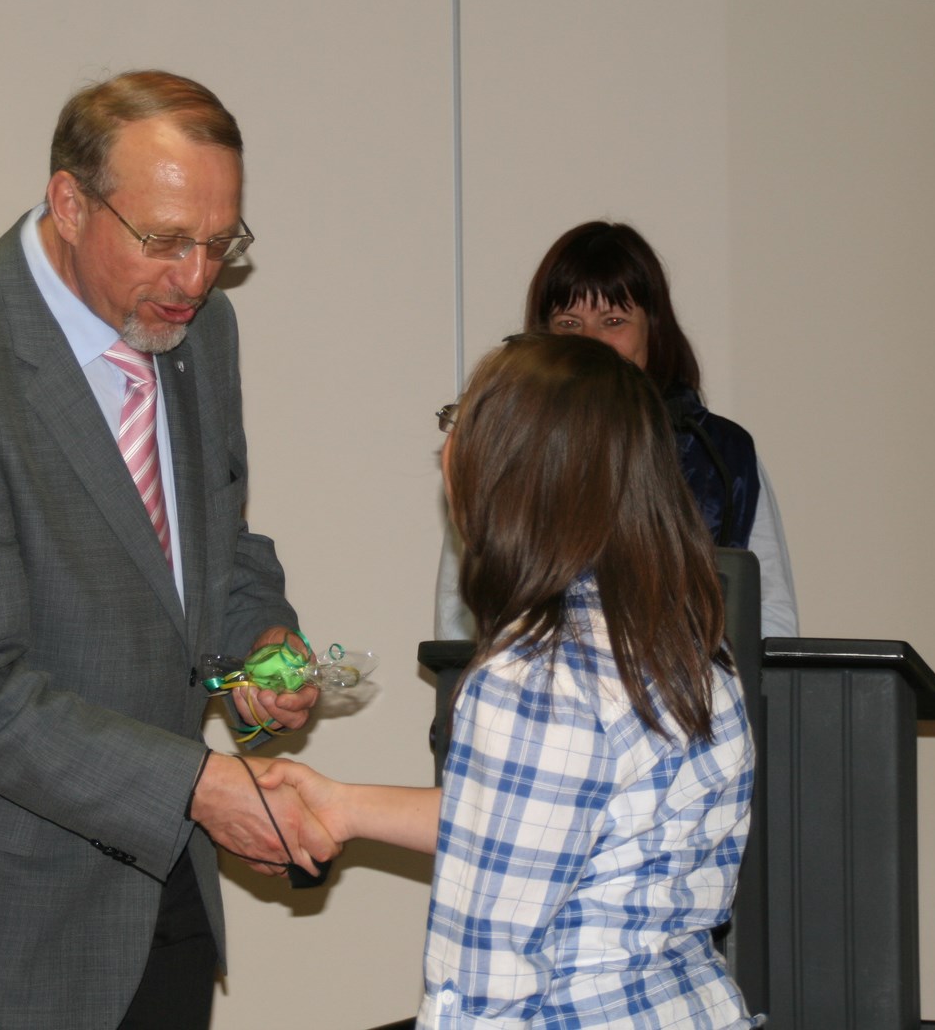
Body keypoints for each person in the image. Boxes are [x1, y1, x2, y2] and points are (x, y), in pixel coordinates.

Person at [0, 70, 337, 1030]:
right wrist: (202, 786)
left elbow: (213, 543)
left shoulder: (199, 332)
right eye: (166, 240)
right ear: (70, 203)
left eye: (220, 244)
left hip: (159, 881)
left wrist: (262, 644)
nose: (196, 279)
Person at [264, 334, 756, 1028]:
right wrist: (344, 807)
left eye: (462, 421)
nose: (447, 448)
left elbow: (481, 984)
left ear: (514, 472)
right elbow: (549, 826)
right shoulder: (685, 644)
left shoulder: (535, 681)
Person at [435, 220, 797, 642]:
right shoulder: (507, 447)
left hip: (688, 681)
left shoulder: (722, 455)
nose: (591, 342)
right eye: (569, 323)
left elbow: (770, 615)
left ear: (653, 328)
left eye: (613, 320)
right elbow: (459, 614)